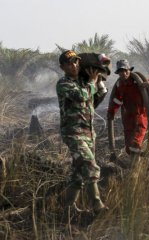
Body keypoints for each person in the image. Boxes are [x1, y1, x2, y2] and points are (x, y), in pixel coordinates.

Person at [56, 50, 109, 213]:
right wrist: (92, 83)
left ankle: (68, 208)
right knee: (89, 164)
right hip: (73, 132)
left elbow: (95, 100)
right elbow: (81, 96)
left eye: (76, 62)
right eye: (70, 63)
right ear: (62, 67)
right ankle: (96, 203)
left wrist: (98, 80)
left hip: (88, 132)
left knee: (79, 172)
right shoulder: (64, 84)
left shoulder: (83, 82)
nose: (74, 65)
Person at [107, 60, 149, 167]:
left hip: (140, 117)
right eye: (121, 72)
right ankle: (135, 166)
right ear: (118, 73)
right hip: (128, 119)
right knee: (129, 147)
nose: (124, 73)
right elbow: (116, 101)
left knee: (135, 144)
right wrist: (111, 113)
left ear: (129, 70)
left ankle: (134, 170)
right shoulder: (120, 85)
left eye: (125, 71)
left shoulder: (138, 81)